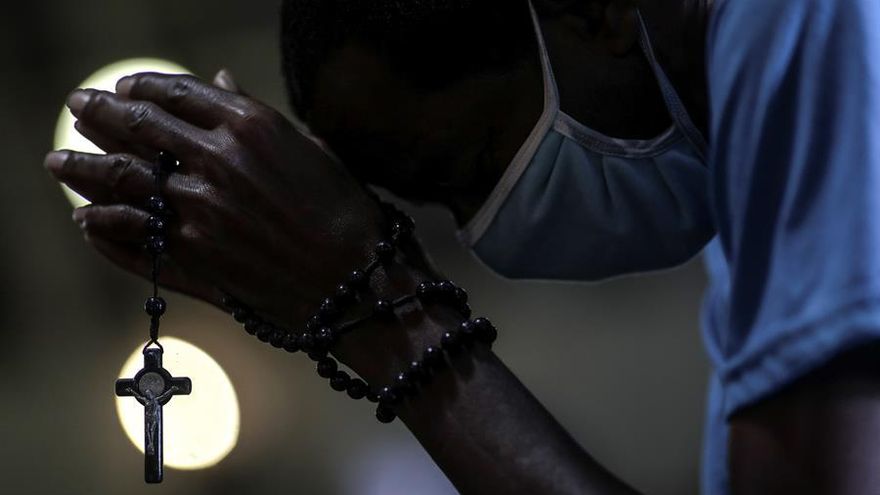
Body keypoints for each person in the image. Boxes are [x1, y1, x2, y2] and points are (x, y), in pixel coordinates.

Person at [43, 0, 880, 493]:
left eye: (472, 168)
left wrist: (381, 311)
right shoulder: (748, 219)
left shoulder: (804, 31)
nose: (490, 234)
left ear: (592, 10)